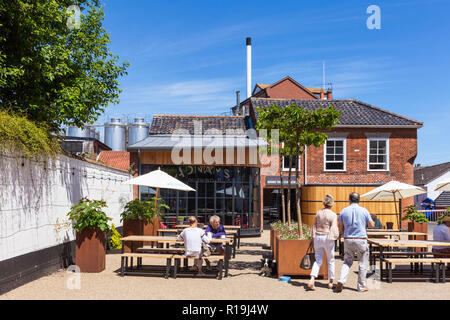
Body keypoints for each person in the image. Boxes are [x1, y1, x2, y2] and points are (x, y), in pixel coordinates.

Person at [335, 192, 375, 293]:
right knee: (362, 263)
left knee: (347, 261)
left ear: (349, 199)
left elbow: (340, 227)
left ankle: (341, 280)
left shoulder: (343, 211)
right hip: (361, 239)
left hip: (348, 238)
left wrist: (342, 234)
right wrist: (371, 221)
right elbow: (371, 225)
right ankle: (361, 287)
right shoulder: (364, 210)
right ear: (359, 200)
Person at [308, 194, 339, 291]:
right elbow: (333, 228)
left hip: (317, 236)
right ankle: (331, 282)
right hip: (327, 237)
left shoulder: (318, 213)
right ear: (331, 204)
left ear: (324, 203)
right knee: (331, 260)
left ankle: (312, 278)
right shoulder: (333, 214)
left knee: (318, 260)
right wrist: (335, 237)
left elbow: (313, 225)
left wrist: (312, 237)